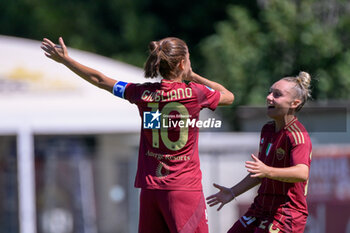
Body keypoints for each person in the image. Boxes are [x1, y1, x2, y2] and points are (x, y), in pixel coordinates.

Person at [41, 37, 234, 233]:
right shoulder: (196, 93)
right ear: (183, 63)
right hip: (184, 189)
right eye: (189, 60)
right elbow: (228, 96)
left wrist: (66, 60)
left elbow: (99, 80)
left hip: (151, 190)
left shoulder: (142, 93)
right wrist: (193, 76)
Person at [206, 72, 312, 233]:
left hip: (286, 213)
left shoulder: (297, 135)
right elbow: (260, 172)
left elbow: (302, 172)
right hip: (261, 208)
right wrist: (233, 192)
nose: (269, 97)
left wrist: (267, 171)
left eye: (277, 95)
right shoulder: (268, 130)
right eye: (269, 92)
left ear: (294, 103)